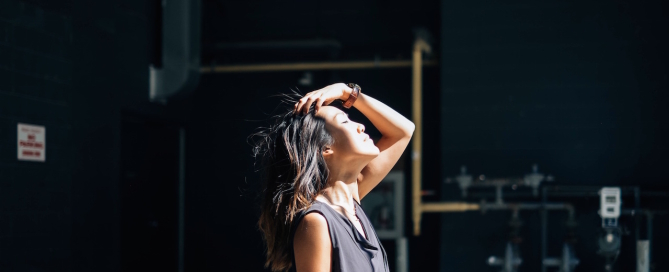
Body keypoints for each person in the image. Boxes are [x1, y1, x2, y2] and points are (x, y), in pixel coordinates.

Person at [253, 83, 414, 272]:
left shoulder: (350, 202)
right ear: (324, 148)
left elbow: (404, 130)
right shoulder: (317, 221)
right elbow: (402, 132)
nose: (361, 126)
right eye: (345, 122)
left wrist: (348, 92)